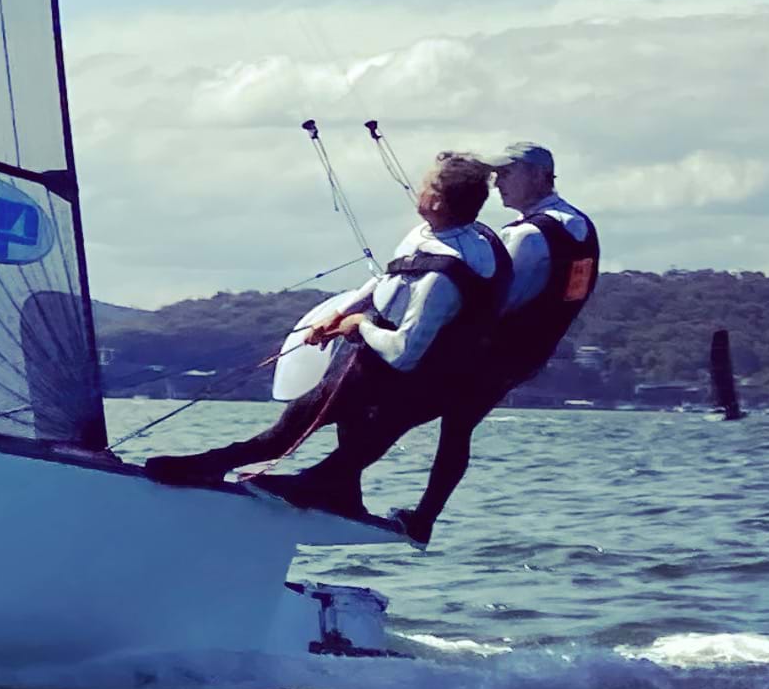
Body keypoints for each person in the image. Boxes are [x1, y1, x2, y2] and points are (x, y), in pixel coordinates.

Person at [145, 154, 504, 518]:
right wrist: (341, 314)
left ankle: (307, 488)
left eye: (425, 185)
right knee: (293, 423)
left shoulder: (445, 276)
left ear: (437, 201)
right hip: (368, 361)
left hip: (404, 379)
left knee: (338, 439)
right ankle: (213, 466)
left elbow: (405, 352)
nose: (418, 188)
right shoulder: (426, 234)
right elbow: (392, 276)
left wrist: (360, 325)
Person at [388, 141, 597, 543]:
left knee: (401, 406)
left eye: (507, 174)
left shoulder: (526, 236)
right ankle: (421, 517)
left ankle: (343, 485)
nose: (497, 183)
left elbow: (488, 300)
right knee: (455, 428)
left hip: (493, 353)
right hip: (530, 355)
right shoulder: (579, 224)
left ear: (539, 177)